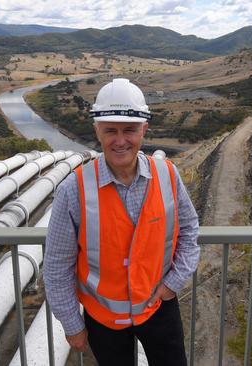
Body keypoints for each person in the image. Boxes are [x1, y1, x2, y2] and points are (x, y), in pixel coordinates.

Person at [44, 78, 200, 366]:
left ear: (143, 130)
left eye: (129, 130)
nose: (120, 140)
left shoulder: (168, 175)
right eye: (110, 131)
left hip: (158, 307)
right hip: (103, 319)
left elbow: (190, 232)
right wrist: (72, 324)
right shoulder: (73, 190)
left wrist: (173, 283)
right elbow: (56, 266)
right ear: (97, 131)